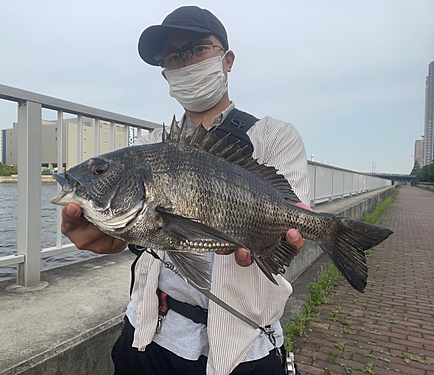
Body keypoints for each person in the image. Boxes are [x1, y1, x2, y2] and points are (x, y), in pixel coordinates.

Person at [61, 6, 311, 375]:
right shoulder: (151, 144)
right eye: (174, 56)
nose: (186, 62)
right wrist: (106, 233)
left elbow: (292, 221)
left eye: (197, 49)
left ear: (227, 60)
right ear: (165, 74)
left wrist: (296, 230)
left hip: (243, 345)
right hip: (149, 332)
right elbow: (139, 235)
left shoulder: (274, 136)